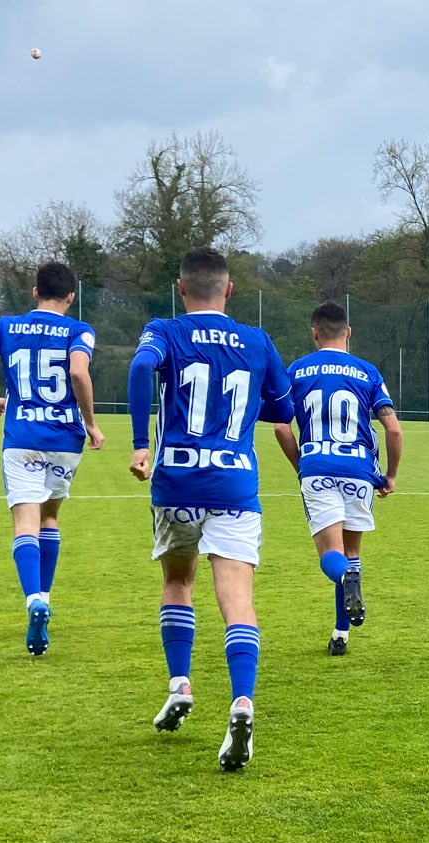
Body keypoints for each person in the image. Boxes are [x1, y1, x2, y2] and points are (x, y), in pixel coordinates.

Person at [127, 248, 294, 771]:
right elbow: (283, 409)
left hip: (177, 482)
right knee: (237, 598)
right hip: (235, 484)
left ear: (182, 288)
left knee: (179, 584)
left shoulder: (166, 330)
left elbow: (139, 367)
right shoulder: (257, 340)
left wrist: (139, 442)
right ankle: (242, 700)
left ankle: (180, 685)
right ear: (230, 289)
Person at [0, 261, 105, 657]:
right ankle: (46, 597)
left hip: (21, 438)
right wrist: (90, 423)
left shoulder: (6, 326)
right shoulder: (78, 330)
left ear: (34, 292)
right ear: (71, 296)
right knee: (50, 517)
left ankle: (34, 598)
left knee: (25, 522)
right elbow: (78, 373)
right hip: (64, 439)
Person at [275, 300, 405, 657]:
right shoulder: (367, 371)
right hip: (360, 470)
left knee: (333, 557)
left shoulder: (297, 370)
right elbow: (392, 428)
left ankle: (346, 584)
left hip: (318, 466)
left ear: (314, 333)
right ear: (348, 332)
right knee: (352, 553)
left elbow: (280, 427)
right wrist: (390, 475)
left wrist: (301, 462)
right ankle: (340, 635)